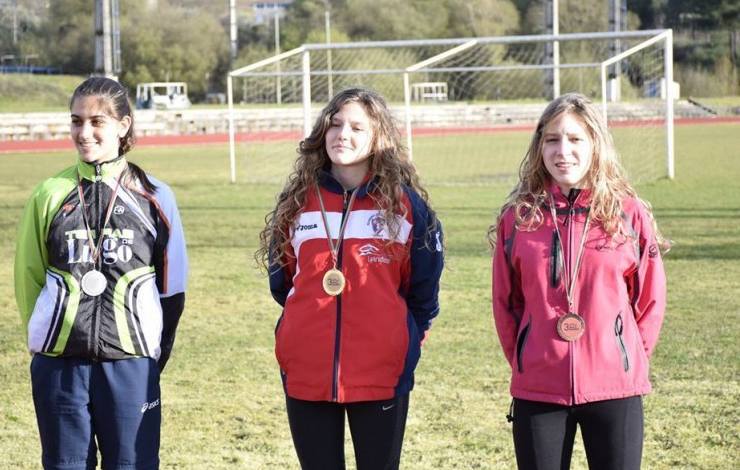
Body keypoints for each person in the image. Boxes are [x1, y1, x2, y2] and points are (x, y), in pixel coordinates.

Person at [256, 87, 444, 470]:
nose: (343, 134)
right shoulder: (296, 202)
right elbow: (284, 284)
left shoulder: (406, 206)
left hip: (381, 372)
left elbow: (423, 292)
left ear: (379, 138)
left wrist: (402, 342)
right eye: (335, 124)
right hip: (308, 371)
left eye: (358, 127)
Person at [14, 76, 188, 470]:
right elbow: (29, 276)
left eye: (97, 121)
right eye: (76, 121)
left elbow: (172, 286)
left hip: (129, 363)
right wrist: (47, 340)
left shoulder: (155, 196)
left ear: (123, 125)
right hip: (60, 364)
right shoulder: (49, 193)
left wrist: (151, 354)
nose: (84, 132)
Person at [488, 92, 669, 470]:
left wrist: (624, 357)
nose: (562, 151)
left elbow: (649, 300)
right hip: (539, 387)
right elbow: (507, 304)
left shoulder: (628, 214)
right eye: (552, 139)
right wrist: (528, 357)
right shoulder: (519, 218)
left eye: (575, 139)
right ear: (539, 147)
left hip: (614, 386)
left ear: (595, 145)